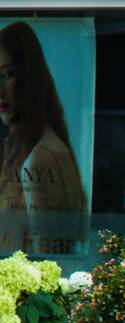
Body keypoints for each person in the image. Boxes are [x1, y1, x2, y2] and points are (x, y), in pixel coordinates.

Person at [0, 21, 85, 215]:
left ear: (29, 77)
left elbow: (46, 235)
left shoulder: (39, 158)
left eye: (8, 74)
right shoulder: (26, 149)